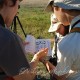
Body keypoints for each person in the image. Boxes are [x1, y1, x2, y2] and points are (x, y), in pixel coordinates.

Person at [0, 0, 48, 80]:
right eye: (18, 6)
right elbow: (26, 77)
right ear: (9, 2)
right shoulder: (8, 38)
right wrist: (36, 57)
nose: (17, 12)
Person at [41, 0, 80, 80]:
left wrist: (44, 60)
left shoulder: (67, 43)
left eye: (53, 10)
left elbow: (60, 76)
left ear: (60, 8)